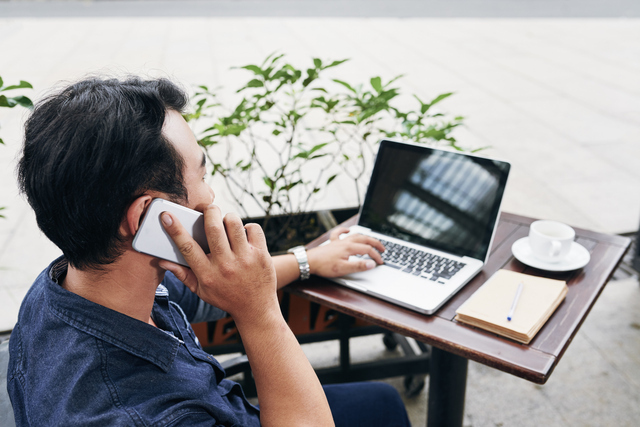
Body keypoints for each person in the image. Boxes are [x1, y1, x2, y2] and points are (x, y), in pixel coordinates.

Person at [8, 76, 412, 426]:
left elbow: (204, 292)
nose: (210, 193)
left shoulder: (67, 287)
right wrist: (260, 314)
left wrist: (307, 260)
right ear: (150, 215)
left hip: (228, 407)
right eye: (201, 173)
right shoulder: (140, 415)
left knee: (382, 402)